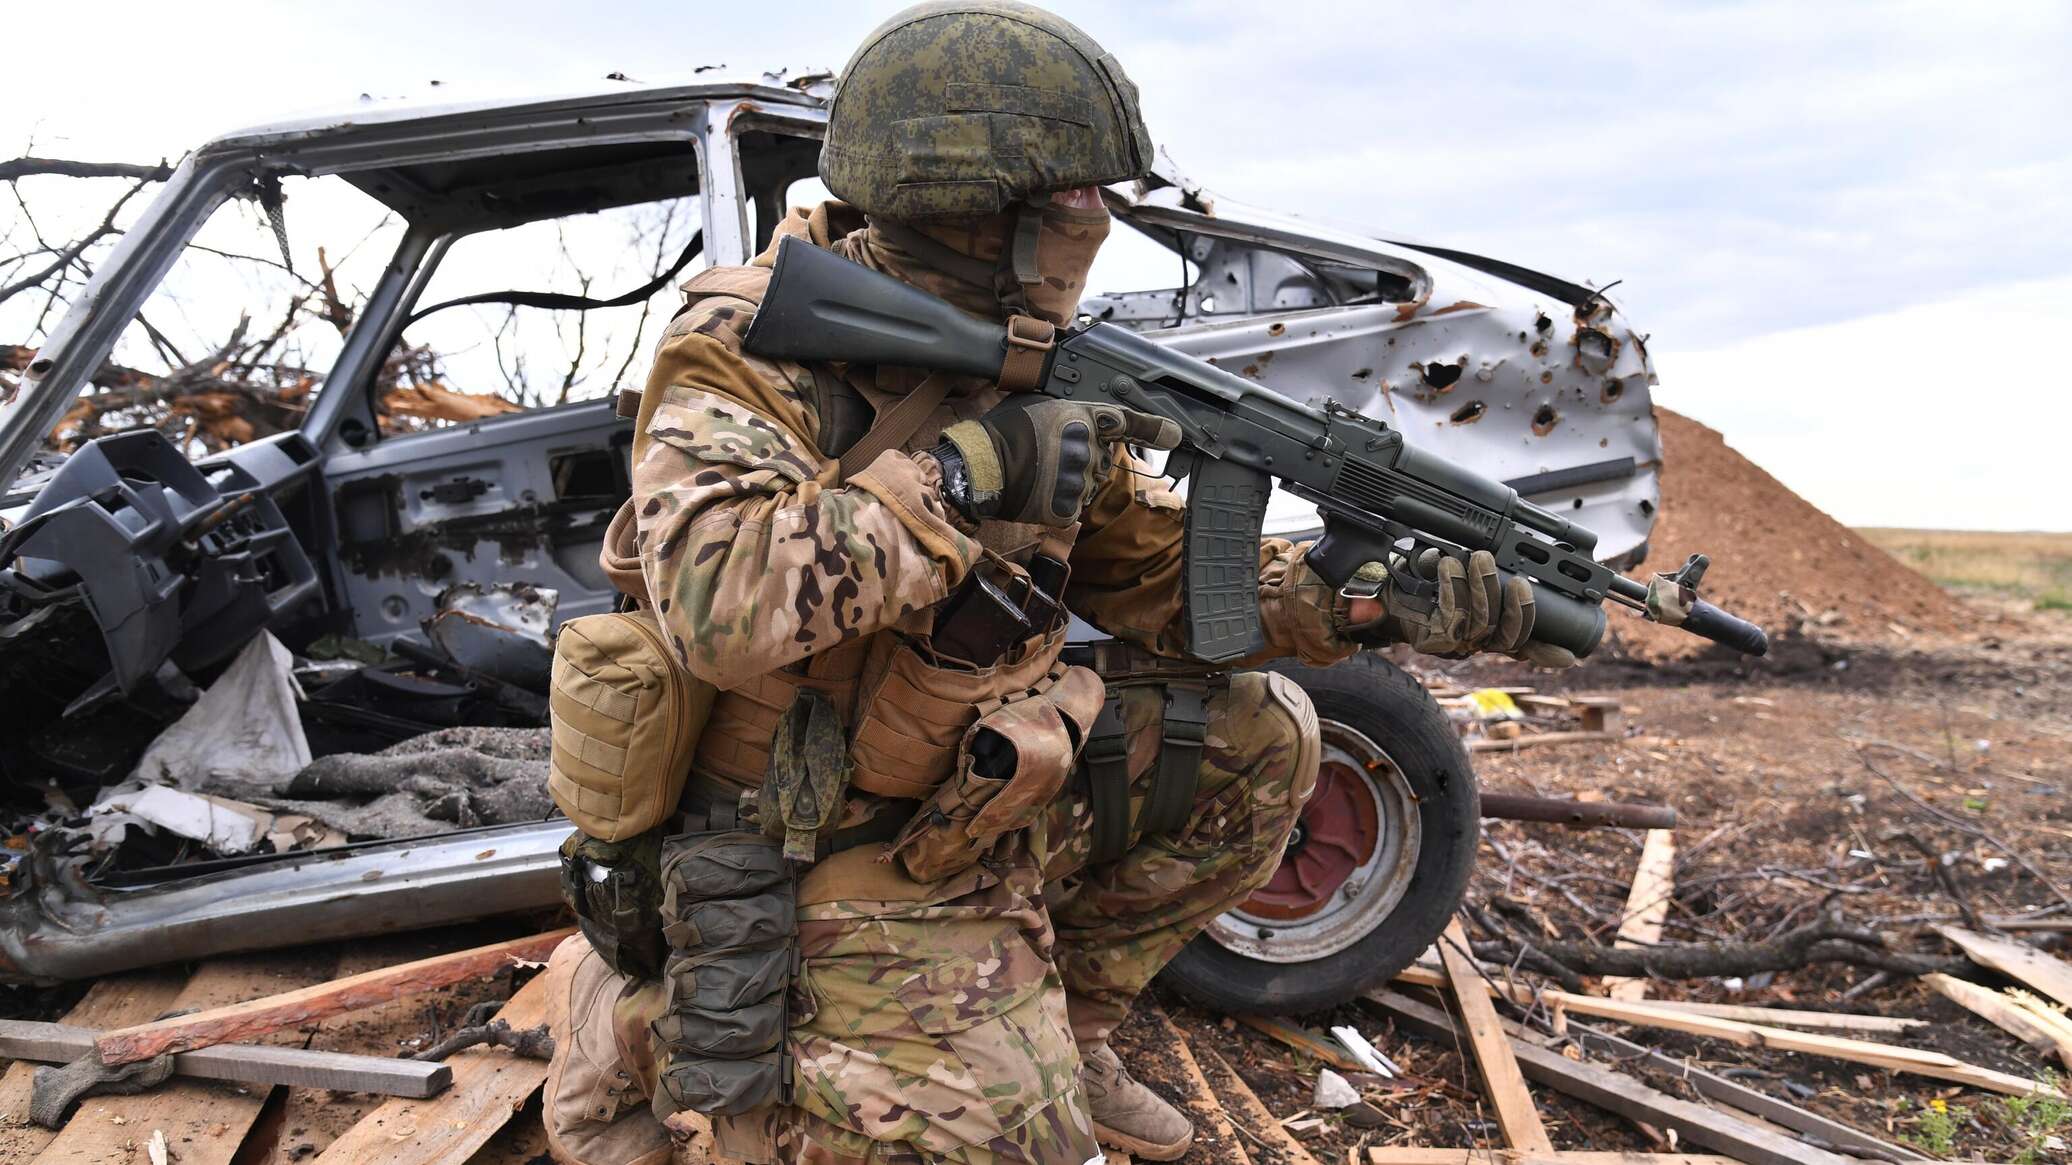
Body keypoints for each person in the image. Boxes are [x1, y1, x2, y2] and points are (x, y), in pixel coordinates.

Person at [541, 4, 1559, 1163]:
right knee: (1004, 1144)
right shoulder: (751, 344)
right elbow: (717, 605)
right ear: (977, 212)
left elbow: (1164, 583)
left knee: (1263, 733)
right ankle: (636, 1011)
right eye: (1077, 202)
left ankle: (1061, 1030)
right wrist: (961, 478)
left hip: (968, 799)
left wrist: (1350, 592)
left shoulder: (1025, 353)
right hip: (793, 836)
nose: (1098, 226)